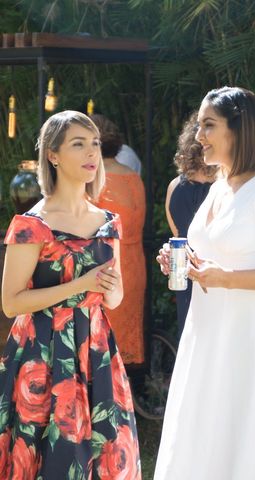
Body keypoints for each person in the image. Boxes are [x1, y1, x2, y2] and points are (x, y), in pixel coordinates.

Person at [154, 86, 255, 479]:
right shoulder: (217, 189)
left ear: (239, 129)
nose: (198, 136)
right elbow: (212, 254)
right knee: (205, 439)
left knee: (250, 441)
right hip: (208, 336)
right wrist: (183, 261)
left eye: (208, 125)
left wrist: (226, 279)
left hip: (253, 342)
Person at [0, 110, 140, 478]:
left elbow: (115, 297)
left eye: (94, 144)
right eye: (79, 144)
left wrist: (108, 290)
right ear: (54, 155)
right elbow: (11, 302)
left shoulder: (109, 222)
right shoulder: (32, 224)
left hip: (95, 351)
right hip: (42, 354)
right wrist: (80, 285)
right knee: (51, 456)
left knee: (103, 453)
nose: (92, 153)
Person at [92, 114, 146, 366]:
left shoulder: (96, 181)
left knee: (103, 341)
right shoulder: (132, 177)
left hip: (109, 265)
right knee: (123, 339)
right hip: (135, 262)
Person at [165, 112, 217, 338]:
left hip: (185, 275)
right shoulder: (224, 189)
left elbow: (177, 235)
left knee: (190, 340)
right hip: (219, 276)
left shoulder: (174, 187)